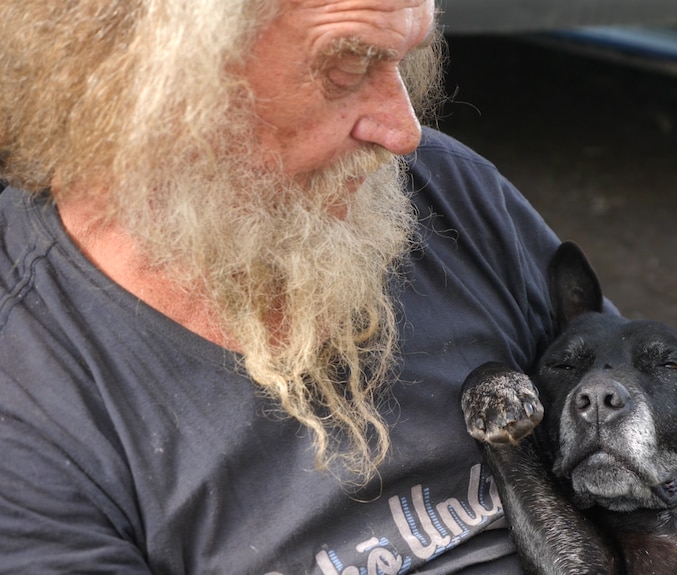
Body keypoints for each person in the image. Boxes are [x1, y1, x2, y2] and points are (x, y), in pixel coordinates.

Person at [0, 0, 568, 573]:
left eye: (402, 59)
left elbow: (643, 417)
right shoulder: (28, 390)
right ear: (145, 83)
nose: (403, 133)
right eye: (345, 69)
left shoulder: (444, 190)